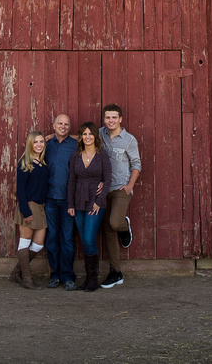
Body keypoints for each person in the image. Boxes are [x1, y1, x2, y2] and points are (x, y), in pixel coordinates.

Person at [99, 103, 141, 289]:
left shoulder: (129, 140)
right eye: (108, 117)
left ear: (120, 119)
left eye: (114, 117)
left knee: (115, 223)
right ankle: (116, 273)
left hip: (120, 189)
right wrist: (54, 136)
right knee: (108, 229)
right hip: (103, 189)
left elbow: (136, 164)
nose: (111, 120)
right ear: (104, 119)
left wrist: (130, 186)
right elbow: (83, 137)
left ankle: (124, 226)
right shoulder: (99, 134)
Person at [67, 121, 111, 292]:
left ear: (95, 136)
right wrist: (70, 204)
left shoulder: (102, 155)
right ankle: (88, 279)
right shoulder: (75, 156)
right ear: (81, 137)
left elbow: (107, 180)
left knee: (88, 239)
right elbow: (71, 181)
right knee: (84, 241)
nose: (87, 137)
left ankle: (93, 279)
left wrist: (99, 202)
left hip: (95, 202)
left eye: (90, 134)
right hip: (78, 202)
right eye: (84, 134)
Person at [44, 114, 79, 290]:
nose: (63, 126)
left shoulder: (75, 145)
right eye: (60, 123)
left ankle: (68, 277)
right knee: (51, 238)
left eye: (66, 124)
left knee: (67, 239)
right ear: (54, 125)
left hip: (68, 200)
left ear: (70, 127)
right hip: (49, 198)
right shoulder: (45, 145)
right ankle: (54, 275)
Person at [12, 130, 50, 290]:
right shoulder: (25, 163)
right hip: (28, 206)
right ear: (30, 144)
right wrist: (26, 212)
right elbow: (20, 190)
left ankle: (16, 272)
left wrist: (54, 136)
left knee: (38, 244)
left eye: (42, 142)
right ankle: (27, 279)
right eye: (36, 142)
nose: (39, 145)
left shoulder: (43, 162)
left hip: (41, 207)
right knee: (25, 242)